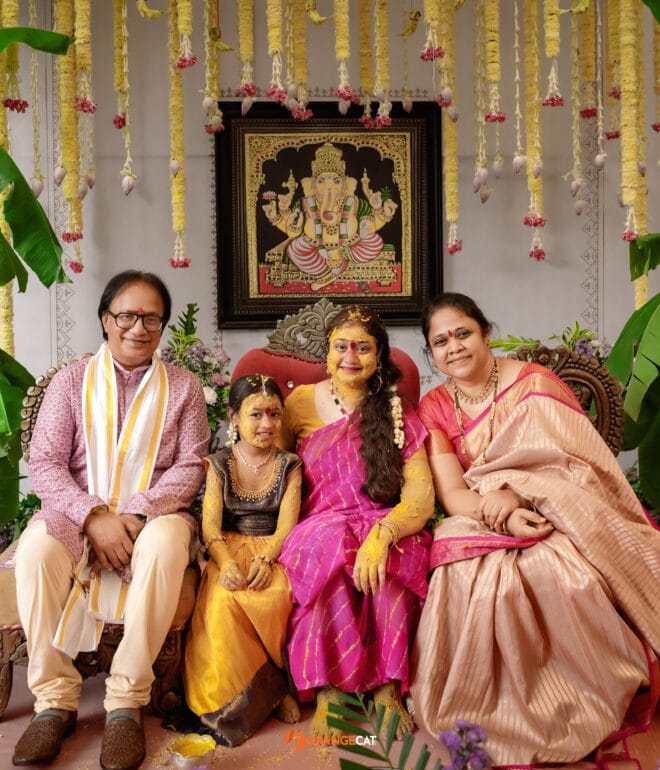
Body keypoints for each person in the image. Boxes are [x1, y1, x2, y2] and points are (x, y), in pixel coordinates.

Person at [409, 292, 660, 766]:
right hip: (478, 514)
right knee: (465, 574)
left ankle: (575, 700)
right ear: (432, 352)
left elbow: (577, 465)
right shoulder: (435, 406)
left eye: (463, 333)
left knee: (559, 570)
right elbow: (451, 495)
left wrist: (523, 495)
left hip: (555, 504)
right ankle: (477, 704)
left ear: (486, 334)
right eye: (440, 341)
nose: (454, 347)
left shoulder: (533, 383)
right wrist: (498, 509)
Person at [12, 271, 210, 770]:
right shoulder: (70, 381)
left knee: (167, 544)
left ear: (162, 325)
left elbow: (191, 464)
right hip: (77, 513)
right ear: (106, 319)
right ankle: (54, 701)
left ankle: (125, 700)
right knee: (36, 549)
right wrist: (93, 515)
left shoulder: (184, 387)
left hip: (153, 517)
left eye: (151, 318)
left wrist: (136, 514)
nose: (138, 327)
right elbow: (46, 462)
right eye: (127, 315)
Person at [278, 305, 434, 739]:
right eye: (341, 346)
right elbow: (276, 470)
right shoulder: (299, 403)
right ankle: (329, 690)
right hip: (319, 521)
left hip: (384, 520)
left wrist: (382, 535)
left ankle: (387, 687)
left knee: (397, 557)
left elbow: (420, 497)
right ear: (327, 353)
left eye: (363, 348)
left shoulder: (397, 412)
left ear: (379, 356)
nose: (351, 356)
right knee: (329, 548)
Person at [182, 374, 303, 746]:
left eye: (274, 414)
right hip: (226, 548)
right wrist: (226, 564)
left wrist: (267, 560)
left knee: (277, 594)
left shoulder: (290, 465)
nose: (267, 424)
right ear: (234, 417)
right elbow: (210, 528)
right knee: (222, 601)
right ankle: (233, 702)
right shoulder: (218, 464)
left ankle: (277, 687)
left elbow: (287, 526)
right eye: (256, 415)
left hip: (273, 550)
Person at [262, 143, 398, 291]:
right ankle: (326, 274)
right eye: (321, 181)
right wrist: (276, 217)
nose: (329, 186)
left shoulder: (354, 202)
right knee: (296, 248)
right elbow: (292, 232)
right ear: (313, 184)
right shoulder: (305, 203)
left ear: (344, 183)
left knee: (374, 241)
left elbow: (372, 225)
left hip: (349, 247)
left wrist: (383, 212)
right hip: (315, 250)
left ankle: (335, 269)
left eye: (336, 181)